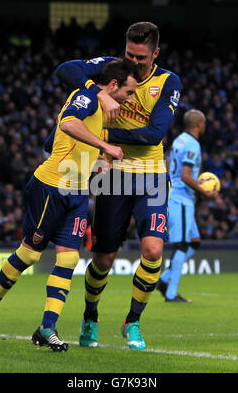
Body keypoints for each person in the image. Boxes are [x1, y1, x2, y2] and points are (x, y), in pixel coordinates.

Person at [0, 58, 139, 352]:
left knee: (68, 260)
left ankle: (47, 326)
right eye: (129, 93)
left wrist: (101, 163)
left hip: (76, 193)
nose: (130, 100)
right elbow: (67, 123)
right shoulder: (88, 96)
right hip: (50, 187)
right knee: (29, 254)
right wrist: (105, 147)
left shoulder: (105, 112)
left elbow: (85, 150)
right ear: (113, 85)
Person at [55, 22, 182, 350]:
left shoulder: (168, 82)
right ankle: (90, 316)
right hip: (113, 176)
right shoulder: (111, 69)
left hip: (152, 174)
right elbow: (64, 69)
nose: (135, 62)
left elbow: (154, 134)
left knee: (153, 249)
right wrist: (96, 91)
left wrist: (103, 137)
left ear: (155, 53)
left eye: (141, 57)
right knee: (103, 259)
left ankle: (134, 320)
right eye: (130, 54)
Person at [157, 109, 218, 302]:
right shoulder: (192, 144)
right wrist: (204, 191)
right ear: (199, 124)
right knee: (182, 245)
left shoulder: (179, 140)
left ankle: (165, 279)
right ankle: (171, 293)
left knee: (194, 242)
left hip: (179, 196)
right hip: (181, 199)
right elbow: (185, 175)